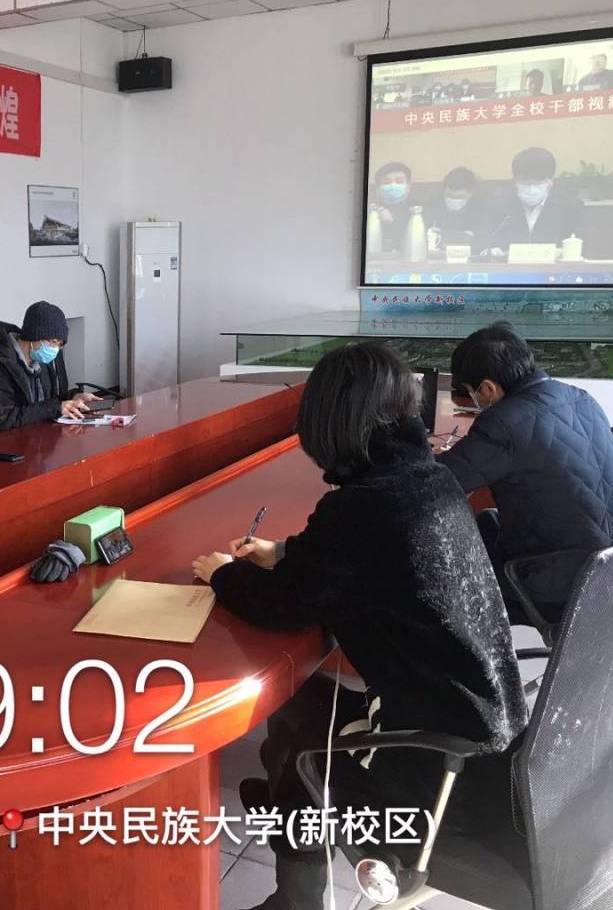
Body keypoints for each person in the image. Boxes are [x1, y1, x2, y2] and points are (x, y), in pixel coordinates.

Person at [191, 342, 526, 910]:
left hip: (436, 766)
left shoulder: (362, 507)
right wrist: (283, 551)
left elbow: (281, 605)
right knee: (295, 712)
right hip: (490, 736)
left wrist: (224, 573)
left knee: (302, 732)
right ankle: (288, 811)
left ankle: (297, 889)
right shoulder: (430, 478)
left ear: (328, 424)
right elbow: (361, 557)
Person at [441, 325, 613, 624]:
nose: (472, 398)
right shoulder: (581, 397)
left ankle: (470, 639)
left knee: (450, 551)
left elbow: (444, 481)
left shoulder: (505, 422)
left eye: (470, 391)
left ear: (488, 388)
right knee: (488, 521)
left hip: (568, 584)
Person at [0, 301, 99, 436]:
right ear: (34, 336)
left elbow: (43, 405)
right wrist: (56, 408)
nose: (55, 349)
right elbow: (3, 421)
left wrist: (72, 398)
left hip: (29, 438)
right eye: (53, 342)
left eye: (60, 345)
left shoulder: (38, 361)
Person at [484, 147, 585, 251]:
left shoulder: (571, 207)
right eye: (524, 180)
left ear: (551, 181)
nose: (531, 186)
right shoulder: (500, 207)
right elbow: (481, 241)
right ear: (514, 181)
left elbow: (584, 246)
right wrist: (488, 251)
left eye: (538, 180)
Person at [427, 167, 489, 248]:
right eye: (449, 196)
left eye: (459, 197)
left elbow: (484, 240)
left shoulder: (482, 209)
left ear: (471, 193)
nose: (453, 200)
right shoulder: (434, 205)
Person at [370, 161, 414, 253]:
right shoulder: (370, 212)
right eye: (386, 182)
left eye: (399, 182)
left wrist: (391, 223)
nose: (393, 186)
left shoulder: (417, 211)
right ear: (377, 189)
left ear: (408, 187)